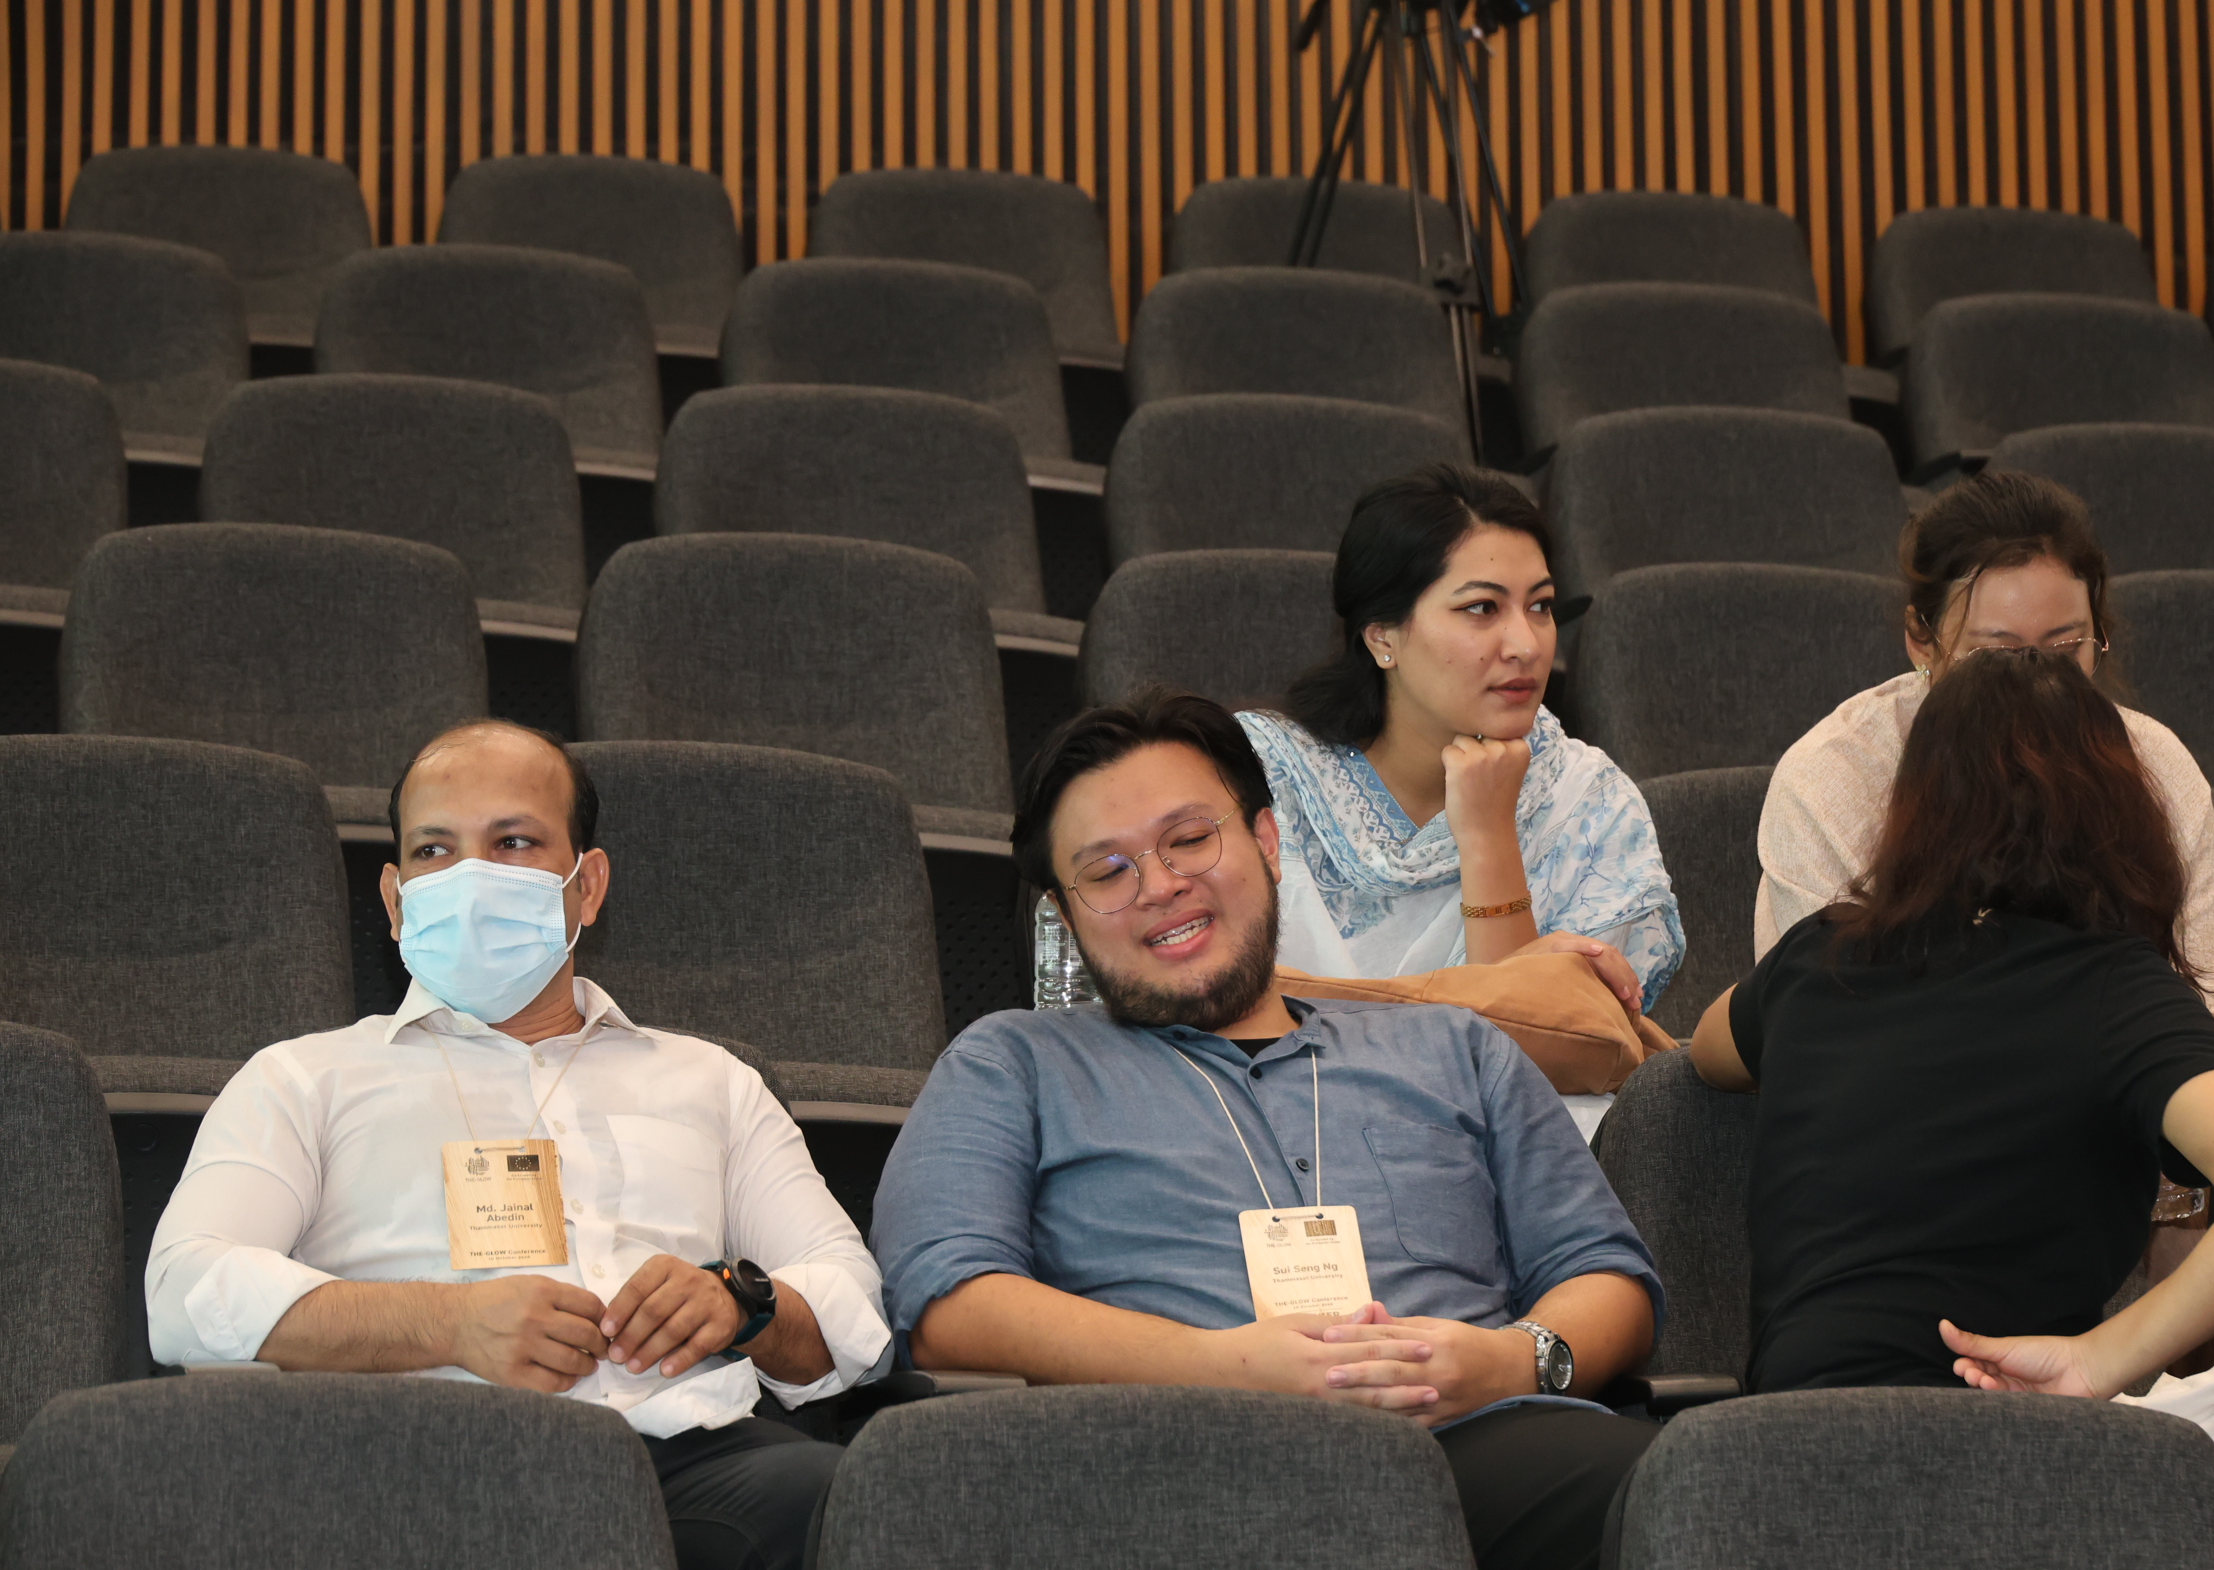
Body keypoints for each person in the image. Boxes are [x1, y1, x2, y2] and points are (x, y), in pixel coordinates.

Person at [873, 688, 1666, 1570]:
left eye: (1189, 839)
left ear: (1268, 842)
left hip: (1476, 1447)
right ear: (1065, 918)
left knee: (1680, 1490)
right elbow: (945, 1299)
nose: (1160, 886)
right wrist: (1222, 1368)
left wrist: (1510, 1362)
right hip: (1171, 1463)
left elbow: (1607, 1276)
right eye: (1108, 871)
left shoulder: (1454, 1048)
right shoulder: (1012, 1062)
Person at [146, 720, 890, 1570]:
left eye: (513, 842)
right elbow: (184, 1289)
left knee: (872, 1499)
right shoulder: (301, 1078)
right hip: (410, 1461)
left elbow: (854, 1305)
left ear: (588, 885)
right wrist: (448, 1323)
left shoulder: (712, 1081)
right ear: (395, 899)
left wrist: (741, 1304)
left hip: (686, 1462)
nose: (470, 879)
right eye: (434, 850)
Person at [1692, 650, 2214, 1569]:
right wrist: (2098, 1361)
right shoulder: (2118, 992)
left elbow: (1708, 1048)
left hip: (1776, 1472)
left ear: (1918, 803)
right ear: (2117, 808)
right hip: (1996, 1479)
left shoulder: (1816, 957)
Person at [1754, 469, 2214, 1041]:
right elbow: (1820, 1031)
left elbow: (2210, 1014)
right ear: (1921, 640)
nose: (2034, 686)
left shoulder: (2156, 764)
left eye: (2065, 650)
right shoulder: (1831, 778)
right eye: (1997, 656)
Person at [1238, 463, 1683, 1028]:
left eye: (1541, 606)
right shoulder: (1258, 776)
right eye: (1482, 608)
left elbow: (1532, 1052)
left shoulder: (1589, 806)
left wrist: (1489, 837)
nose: (1526, 645)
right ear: (1382, 636)